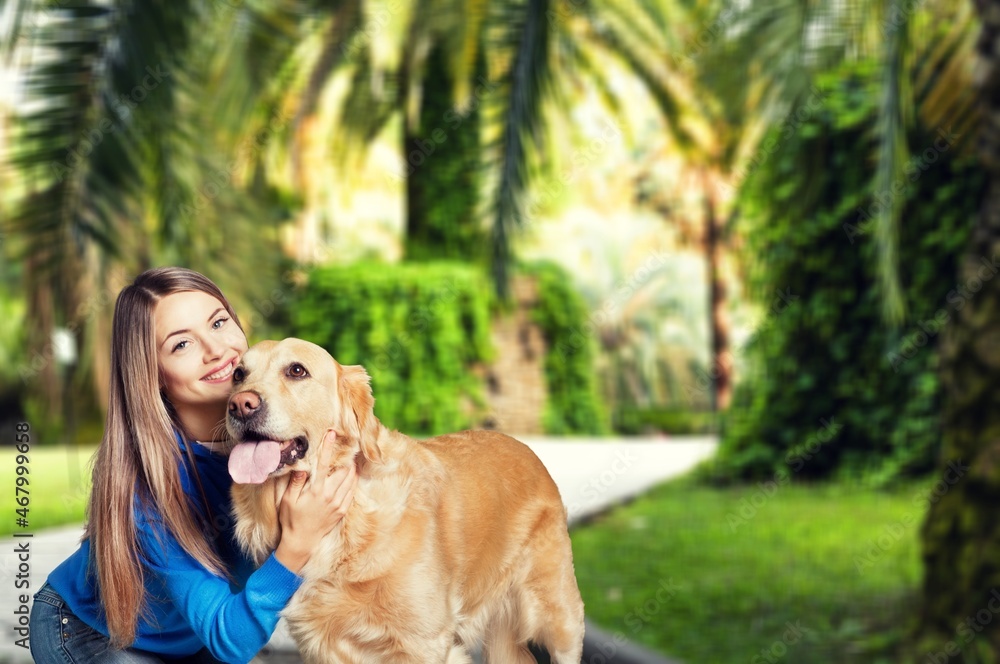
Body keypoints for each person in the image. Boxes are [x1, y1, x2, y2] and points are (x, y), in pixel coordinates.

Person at [29, 266, 359, 664]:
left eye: (219, 322)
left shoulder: (282, 439)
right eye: (181, 345)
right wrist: (295, 545)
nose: (216, 350)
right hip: (93, 632)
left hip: (199, 628)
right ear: (153, 376)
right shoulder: (147, 491)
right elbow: (231, 641)